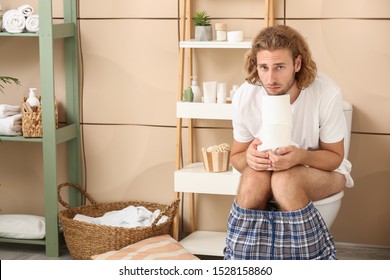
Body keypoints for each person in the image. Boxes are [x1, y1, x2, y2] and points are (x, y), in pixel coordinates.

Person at [224, 25, 354, 260]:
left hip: (323, 169)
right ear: (256, 65)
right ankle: (243, 263)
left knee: (285, 181)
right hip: (268, 170)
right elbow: (237, 157)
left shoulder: (325, 93)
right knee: (253, 180)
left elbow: (335, 157)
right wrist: (249, 158)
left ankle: (309, 263)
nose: (270, 78)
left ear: (297, 64)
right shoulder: (245, 96)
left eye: (280, 67)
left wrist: (301, 156)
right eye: (264, 67)